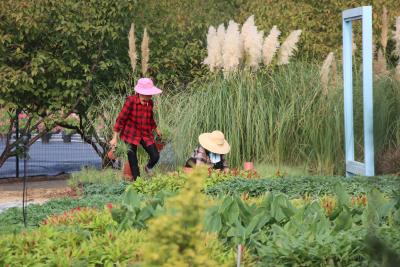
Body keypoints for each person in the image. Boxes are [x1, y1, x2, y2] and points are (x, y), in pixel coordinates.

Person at [110, 78, 162, 181]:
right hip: (130, 134)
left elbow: (150, 118)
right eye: (149, 93)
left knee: (155, 156)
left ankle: (148, 167)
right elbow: (120, 119)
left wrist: (156, 129)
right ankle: (138, 183)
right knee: (133, 161)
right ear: (141, 93)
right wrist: (114, 137)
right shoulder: (131, 101)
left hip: (145, 133)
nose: (151, 96)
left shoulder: (150, 103)